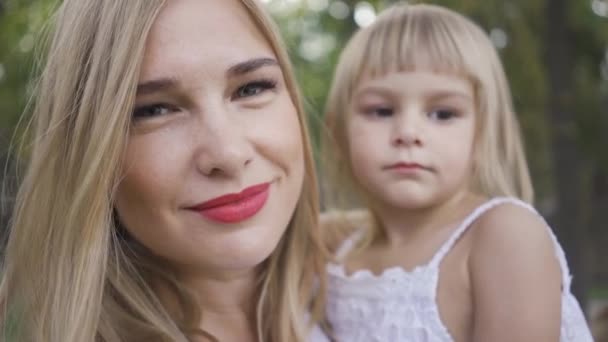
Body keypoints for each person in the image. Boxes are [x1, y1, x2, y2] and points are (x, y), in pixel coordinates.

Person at [0, 0, 330, 341]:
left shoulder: (355, 290)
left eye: (252, 89)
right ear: (91, 152)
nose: (228, 153)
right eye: (155, 110)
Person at [320, 3, 593, 341]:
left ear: (483, 133)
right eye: (381, 110)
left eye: (443, 113)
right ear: (339, 131)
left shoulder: (503, 235)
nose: (408, 131)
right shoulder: (337, 249)